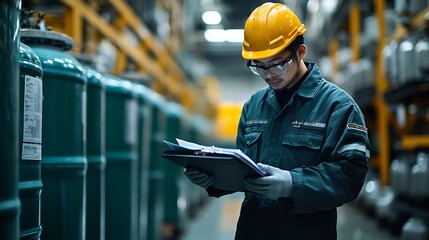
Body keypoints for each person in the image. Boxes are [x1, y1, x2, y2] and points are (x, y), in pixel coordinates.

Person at [184, 2, 369, 239]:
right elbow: (243, 170)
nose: (269, 74)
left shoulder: (337, 106)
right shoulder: (254, 106)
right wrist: (213, 179)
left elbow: (349, 176)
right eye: (259, 67)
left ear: (300, 52)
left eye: (278, 64)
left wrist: (292, 183)